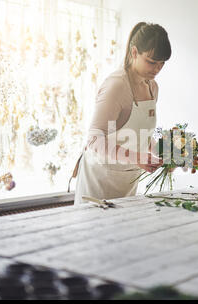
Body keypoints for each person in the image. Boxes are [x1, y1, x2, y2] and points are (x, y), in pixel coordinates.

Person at [71, 22, 172, 205]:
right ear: (134, 52)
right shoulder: (116, 86)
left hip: (127, 180)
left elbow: (141, 135)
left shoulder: (152, 87)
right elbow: (94, 140)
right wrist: (136, 157)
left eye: (162, 63)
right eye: (151, 62)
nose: (157, 69)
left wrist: (165, 157)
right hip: (99, 180)